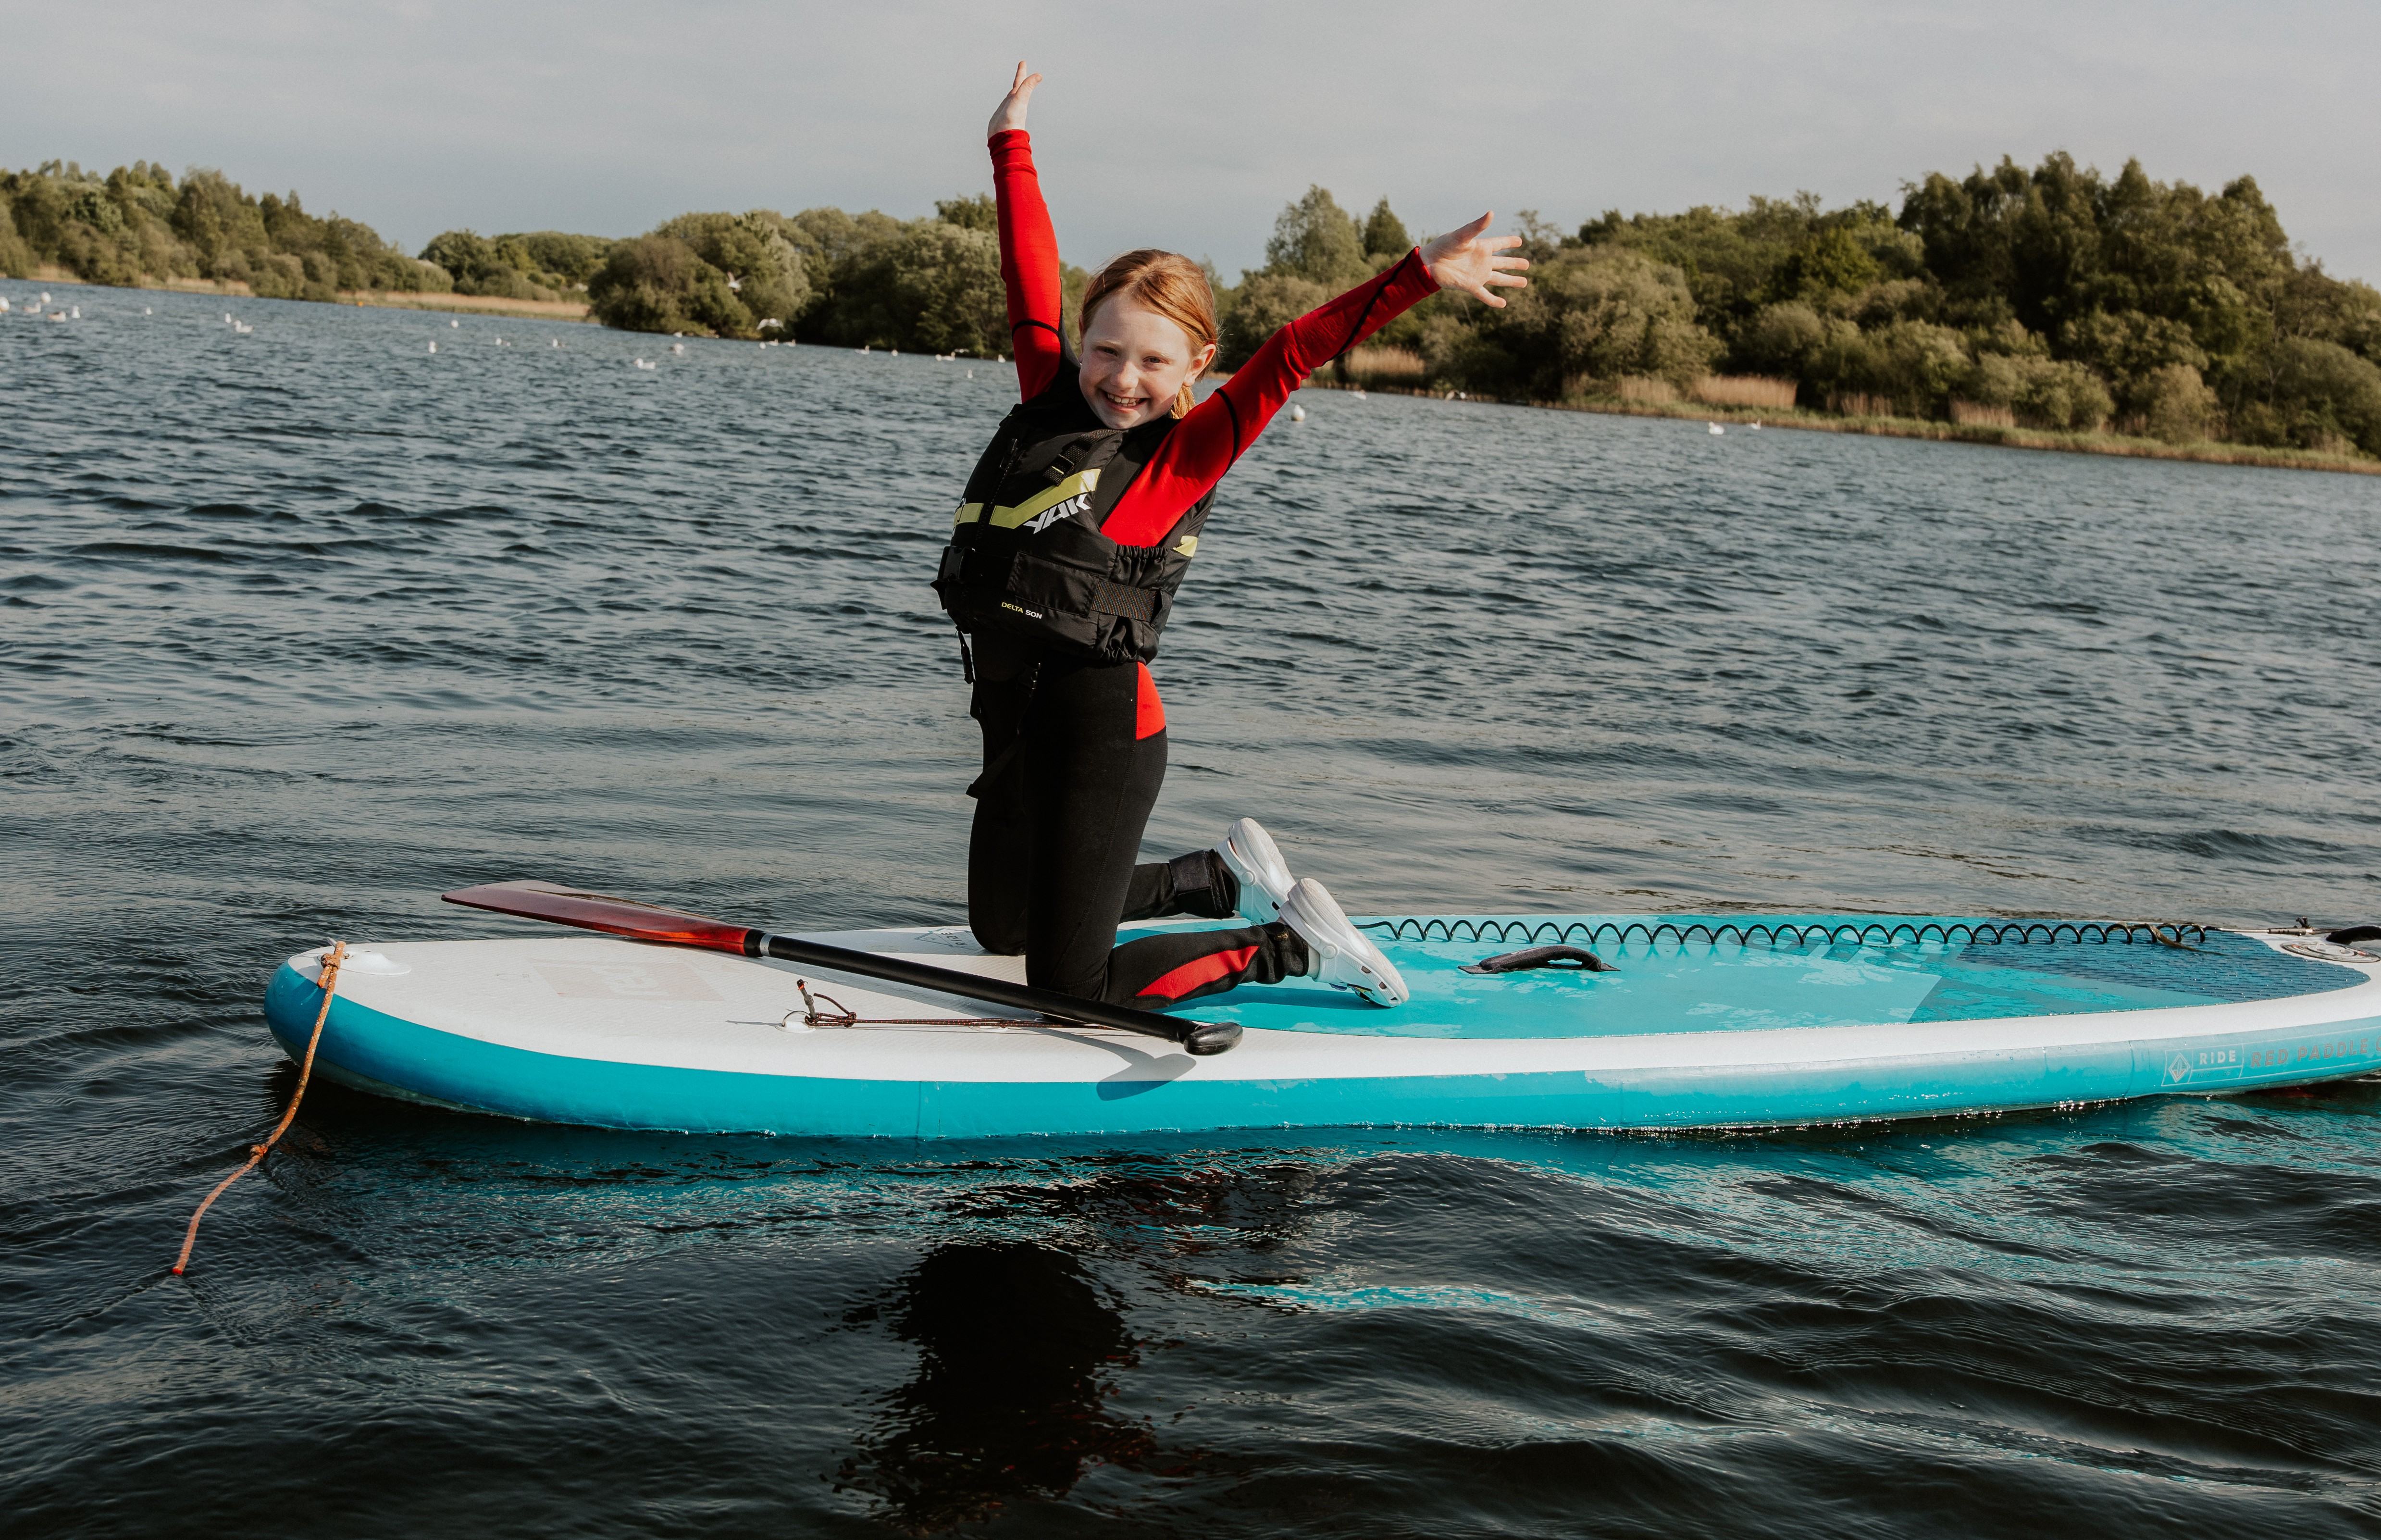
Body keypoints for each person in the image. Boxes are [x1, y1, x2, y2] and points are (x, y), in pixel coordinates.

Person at [933, 61, 1527, 1015]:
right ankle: (1209, 880)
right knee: (999, 929)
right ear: (1076, 340)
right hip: (1012, 717)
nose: (1124, 378)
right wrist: (1011, 140)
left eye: (1153, 362)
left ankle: (1285, 947)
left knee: (1067, 986)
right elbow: (1025, 264)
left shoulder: (1188, 452)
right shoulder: (1046, 396)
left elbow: (1295, 347)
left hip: (1101, 731)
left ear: (1194, 367)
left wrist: (1417, 274)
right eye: (1107, 350)